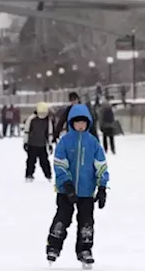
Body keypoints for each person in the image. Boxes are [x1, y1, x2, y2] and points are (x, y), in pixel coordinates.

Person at [46, 104, 109, 268]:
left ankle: (85, 250)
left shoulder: (93, 142)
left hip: (87, 191)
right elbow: (59, 164)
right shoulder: (65, 142)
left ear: (88, 123)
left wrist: (102, 187)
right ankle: (53, 245)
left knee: (86, 222)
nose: (80, 125)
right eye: (77, 122)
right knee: (62, 217)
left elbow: (101, 165)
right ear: (71, 123)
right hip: (65, 191)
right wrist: (66, 184)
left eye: (83, 122)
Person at [23, 102, 53, 182]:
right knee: (31, 161)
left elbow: (49, 132)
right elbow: (26, 131)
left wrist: (50, 144)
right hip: (32, 144)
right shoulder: (31, 119)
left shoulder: (48, 120)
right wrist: (25, 142)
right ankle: (29, 175)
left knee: (44, 161)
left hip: (42, 145)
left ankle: (48, 175)